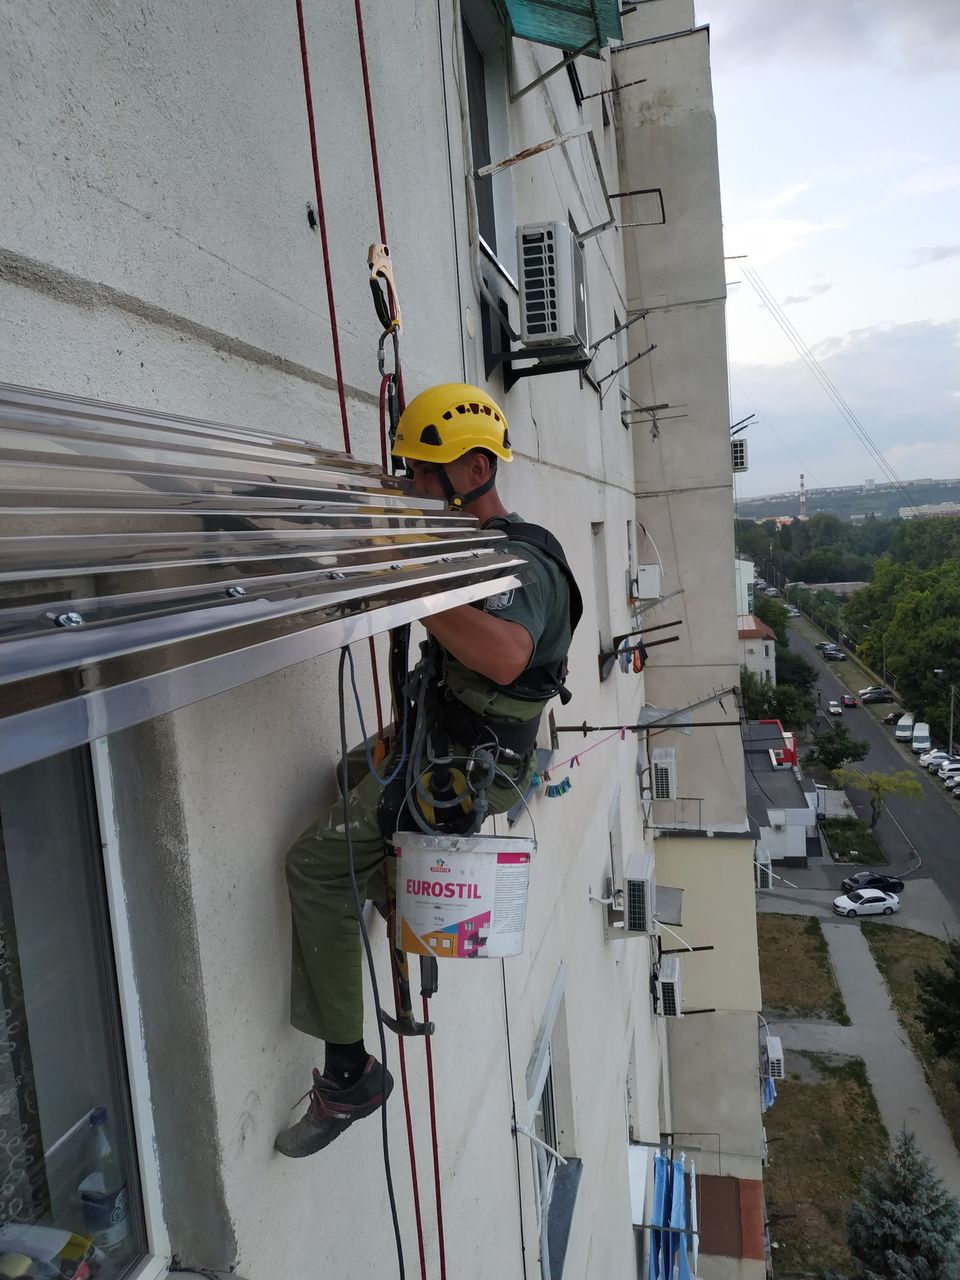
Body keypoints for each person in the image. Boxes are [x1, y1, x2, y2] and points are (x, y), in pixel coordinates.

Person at [275, 383, 581, 1158]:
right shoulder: (476, 545)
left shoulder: (516, 559)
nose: (412, 485)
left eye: (421, 472)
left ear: (475, 470)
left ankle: (349, 1072)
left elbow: (506, 655)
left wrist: (402, 580)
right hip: (441, 735)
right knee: (350, 773)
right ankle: (385, 879)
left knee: (313, 865)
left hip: (464, 766)